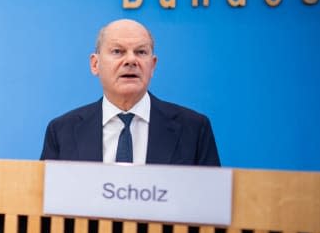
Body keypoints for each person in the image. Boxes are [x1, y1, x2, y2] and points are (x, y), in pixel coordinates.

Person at [40, 19, 219, 166]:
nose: (131, 60)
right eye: (118, 51)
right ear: (95, 64)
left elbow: (211, 201)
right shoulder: (62, 131)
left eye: (141, 52)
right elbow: (40, 205)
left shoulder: (194, 129)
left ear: (153, 65)